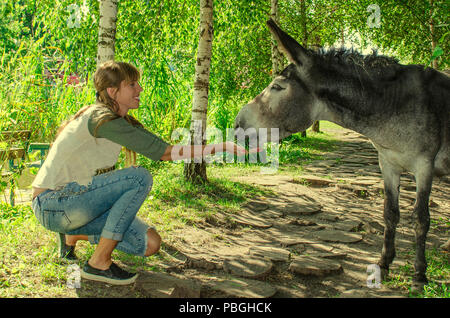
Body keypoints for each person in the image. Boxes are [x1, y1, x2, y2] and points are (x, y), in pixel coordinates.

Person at [31, 61, 249, 285]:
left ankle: (72, 235)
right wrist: (220, 147)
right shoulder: (101, 118)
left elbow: (160, 146)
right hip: (53, 204)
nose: (140, 89)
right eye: (132, 84)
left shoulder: (115, 119)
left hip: (76, 206)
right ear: (112, 91)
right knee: (138, 176)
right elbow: (164, 153)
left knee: (148, 244)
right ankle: (98, 263)